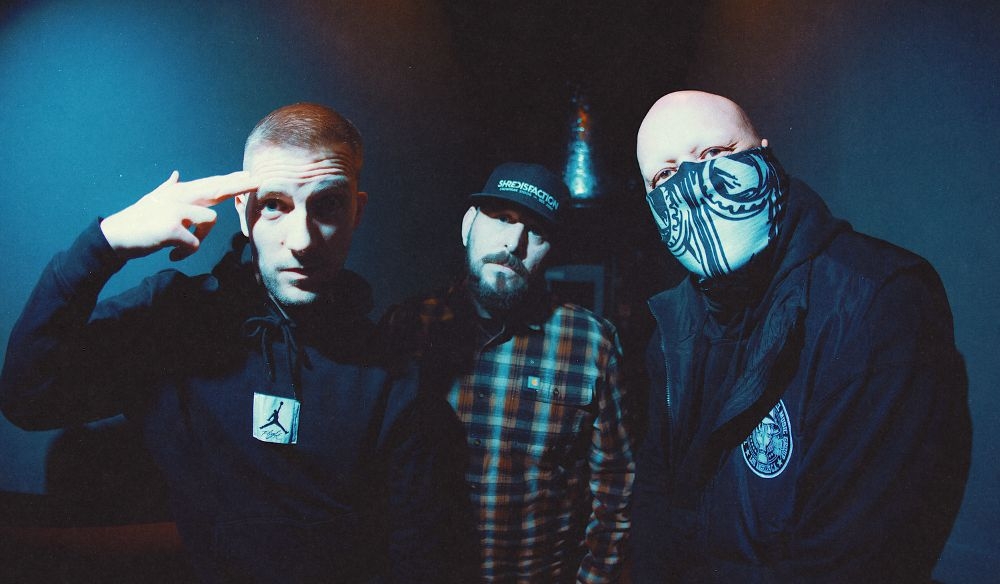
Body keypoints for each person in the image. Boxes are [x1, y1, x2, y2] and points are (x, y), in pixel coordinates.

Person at [0, 103, 463, 583]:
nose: (302, 240)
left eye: (327, 205)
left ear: (356, 213)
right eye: (274, 205)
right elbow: (29, 397)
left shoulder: (393, 380)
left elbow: (421, 558)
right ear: (243, 212)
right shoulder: (176, 320)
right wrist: (106, 243)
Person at [630, 90, 972, 582]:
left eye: (714, 153)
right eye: (664, 176)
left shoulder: (879, 301)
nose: (693, 186)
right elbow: (657, 502)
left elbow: (856, 558)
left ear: (765, 155)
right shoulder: (673, 328)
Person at [379, 162, 635, 583]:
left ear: (552, 252)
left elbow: (615, 486)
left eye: (537, 231)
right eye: (501, 218)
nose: (514, 243)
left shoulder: (592, 343)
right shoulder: (407, 327)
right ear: (468, 226)